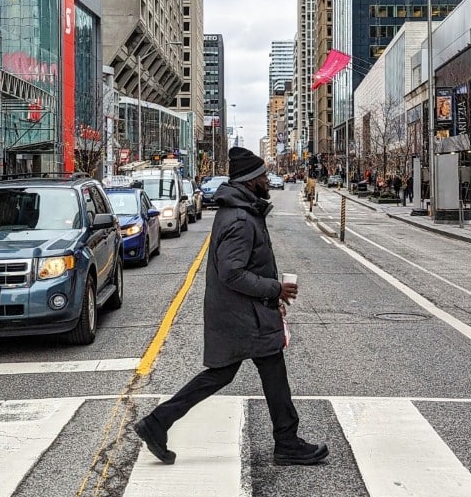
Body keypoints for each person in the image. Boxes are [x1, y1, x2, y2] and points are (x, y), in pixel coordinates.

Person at [135, 147, 328, 467]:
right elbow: (232, 272)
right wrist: (274, 289)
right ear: (251, 181)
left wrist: (271, 293)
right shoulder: (239, 218)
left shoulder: (242, 210)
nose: (267, 179)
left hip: (242, 312)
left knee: (236, 373)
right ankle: (286, 442)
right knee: (258, 371)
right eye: (263, 175)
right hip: (242, 314)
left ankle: (158, 422)